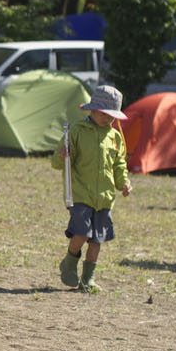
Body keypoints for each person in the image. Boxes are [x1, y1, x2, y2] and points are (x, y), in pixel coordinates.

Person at [53, 84, 132, 293]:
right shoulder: (77, 131)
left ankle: (88, 279)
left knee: (97, 240)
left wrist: (123, 182)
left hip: (104, 197)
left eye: (112, 116)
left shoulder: (114, 137)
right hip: (80, 193)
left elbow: (119, 164)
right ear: (92, 110)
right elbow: (57, 162)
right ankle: (70, 262)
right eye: (104, 114)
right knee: (81, 233)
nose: (108, 119)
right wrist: (62, 154)